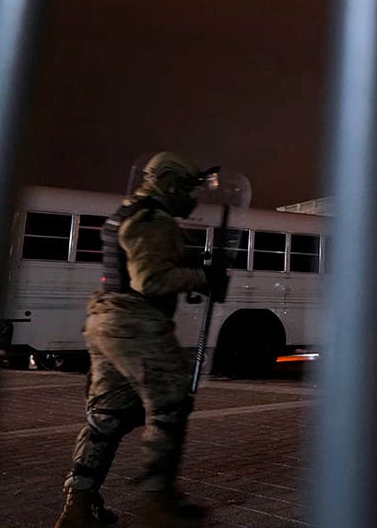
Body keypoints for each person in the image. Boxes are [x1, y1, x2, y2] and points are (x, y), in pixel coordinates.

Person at [55, 152, 226, 528]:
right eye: (185, 187)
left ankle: (78, 506)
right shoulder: (154, 218)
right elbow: (150, 281)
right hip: (136, 323)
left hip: (107, 322)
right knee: (171, 405)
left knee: (107, 417)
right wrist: (202, 277)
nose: (191, 197)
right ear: (165, 181)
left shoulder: (127, 212)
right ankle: (157, 503)